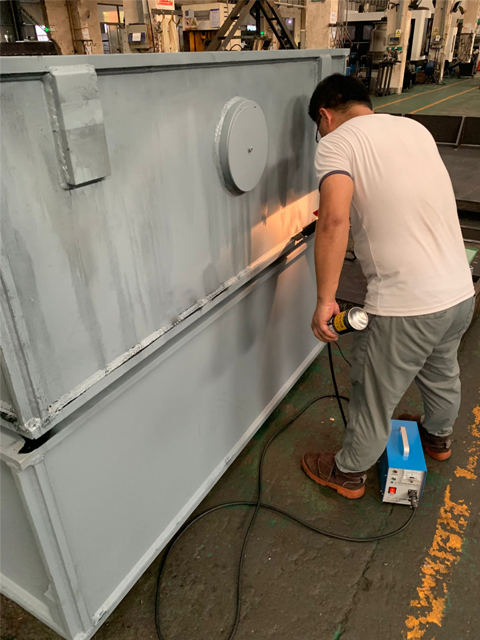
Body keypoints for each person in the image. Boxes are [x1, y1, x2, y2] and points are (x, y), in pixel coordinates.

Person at [301, 74, 475, 500]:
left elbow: (334, 219)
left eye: (318, 127)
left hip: (406, 304)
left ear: (325, 115)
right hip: (459, 291)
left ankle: (348, 472)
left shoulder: (336, 143)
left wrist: (325, 300)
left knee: (373, 389)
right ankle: (438, 438)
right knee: (442, 370)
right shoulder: (414, 129)